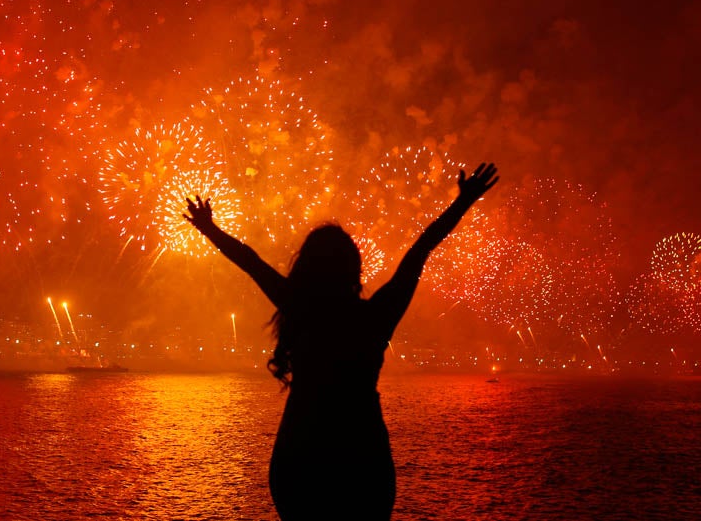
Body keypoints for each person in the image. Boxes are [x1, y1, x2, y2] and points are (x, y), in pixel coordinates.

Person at [184, 162, 499, 521]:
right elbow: (421, 249)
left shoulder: (298, 307)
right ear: (355, 268)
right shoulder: (376, 316)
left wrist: (209, 228)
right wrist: (464, 201)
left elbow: (249, 261)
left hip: (300, 458)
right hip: (363, 460)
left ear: (306, 267)